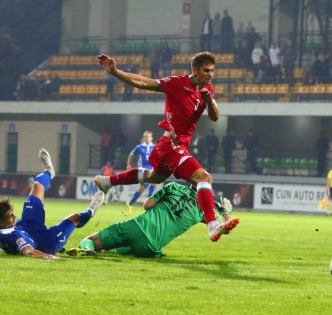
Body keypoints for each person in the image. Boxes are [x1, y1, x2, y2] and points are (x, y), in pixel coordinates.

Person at [93, 52, 239, 242]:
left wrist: (209, 101)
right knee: (204, 177)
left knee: (154, 177)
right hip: (171, 144)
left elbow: (214, 117)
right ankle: (212, 225)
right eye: (206, 70)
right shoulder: (177, 83)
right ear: (195, 70)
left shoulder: (207, 89)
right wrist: (115, 72)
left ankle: (107, 182)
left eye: (212, 70)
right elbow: (144, 82)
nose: (210, 74)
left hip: (176, 145)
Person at [0, 149, 104, 260]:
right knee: (75, 218)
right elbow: (30, 251)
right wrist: (51, 257)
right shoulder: (13, 237)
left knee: (37, 186)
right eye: (9, 216)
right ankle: (91, 211)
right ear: (1, 223)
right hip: (46, 242)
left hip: (27, 225)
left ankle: (48, 171)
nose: (14, 216)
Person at [66, 182, 233, 258]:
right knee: (129, 248)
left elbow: (147, 205)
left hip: (138, 227)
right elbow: (222, 228)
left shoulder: (173, 186)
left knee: (91, 240)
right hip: (152, 249)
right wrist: (225, 214)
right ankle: (109, 250)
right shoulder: (204, 209)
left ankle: (87, 249)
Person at [125, 131, 157, 214]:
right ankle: (131, 203)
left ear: (151, 138)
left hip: (152, 169)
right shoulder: (139, 147)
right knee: (142, 189)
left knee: (153, 184)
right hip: (143, 169)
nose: (147, 138)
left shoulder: (154, 147)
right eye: (145, 137)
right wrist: (129, 164)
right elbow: (131, 154)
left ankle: (147, 205)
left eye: (148, 136)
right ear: (143, 138)